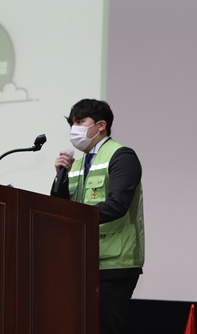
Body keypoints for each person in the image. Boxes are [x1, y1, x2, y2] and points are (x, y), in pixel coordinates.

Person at [51, 98, 144, 334]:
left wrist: (77, 218)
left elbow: (118, 205)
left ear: (101, 125)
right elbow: (61, 208)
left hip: (114, 263)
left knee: (103, 328)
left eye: (80, 122)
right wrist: (60, 176)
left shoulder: (122, 156)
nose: (74, 129)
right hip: (81, 262)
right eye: (71, 124)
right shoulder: (76, 165)